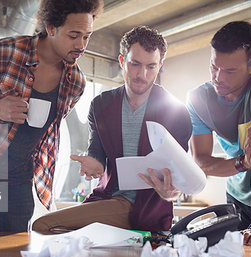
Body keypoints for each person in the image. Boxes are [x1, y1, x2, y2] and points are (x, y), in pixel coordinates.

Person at [0, 0, 104, 233]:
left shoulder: (75, 82)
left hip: (19, 180)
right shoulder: (3, 53)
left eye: (87, 36)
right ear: (51, 27)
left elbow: (43, 132)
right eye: (74, 35)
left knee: (13, 256)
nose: (81, 45)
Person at [32, 26, 192, 234]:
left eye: (151, 67)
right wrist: (93, 164)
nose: (142, 74)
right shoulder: (101, 105)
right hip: (108, 199)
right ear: (122, 61)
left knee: (43, 225)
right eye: (135, 64)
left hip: (147, 211)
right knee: (56, 234)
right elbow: (97, 153)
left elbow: (178, 179)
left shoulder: (177, 112)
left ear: (160, 65)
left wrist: (171, 192)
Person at [186, 21, 251, 246]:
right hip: (238, 199)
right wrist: (243, 163)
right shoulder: (198, 99)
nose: (218, 77)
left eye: (230, 71)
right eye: (214, 66)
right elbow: (201, 161)